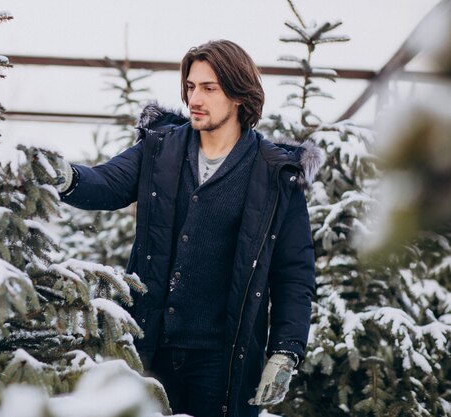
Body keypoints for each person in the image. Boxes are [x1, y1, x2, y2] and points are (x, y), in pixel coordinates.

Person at [55, 40, 320, 417]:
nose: (195, 98)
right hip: (151, 345)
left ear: (240, 96)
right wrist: (62, 176)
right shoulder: (159, 149)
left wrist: (285, 352)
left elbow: (294, 273)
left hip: (222, 356)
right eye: (191, 87)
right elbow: (106, 183)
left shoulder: (275, 174)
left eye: (209, 88)